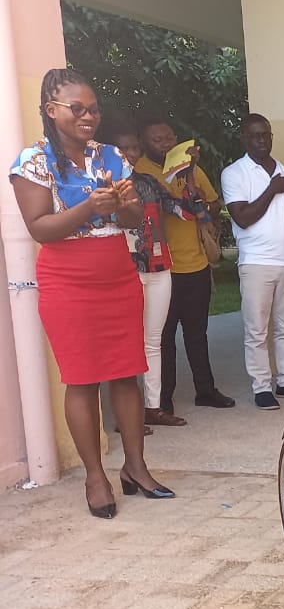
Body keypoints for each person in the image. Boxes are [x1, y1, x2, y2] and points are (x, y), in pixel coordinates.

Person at [9, 68, 174, 518]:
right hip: (69, 280)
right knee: (81, 378)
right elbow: (41, 229)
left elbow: (130, 219)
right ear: (51, 110)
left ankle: (136, 467)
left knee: (126, 372)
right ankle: (96, 477)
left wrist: (123, 206)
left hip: (117, 274)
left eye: (93, 109)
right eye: (77, 108)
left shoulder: (111, 155)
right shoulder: (33, 162)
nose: (88, 116)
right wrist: (88, 206)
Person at [134, 117, 236, 413]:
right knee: (163, 339)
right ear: (144, 142)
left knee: (197, 334)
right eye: (157, 139)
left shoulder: (190, 169)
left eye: (169, 137)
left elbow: (215, 206)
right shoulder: (141, 172)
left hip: (197, 265)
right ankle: (162, 399)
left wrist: (202, 199)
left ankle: (205, 390)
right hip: (163, 270)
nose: (166, 144)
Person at [109, 121, 201, 429]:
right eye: (123, 148)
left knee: (154, 341)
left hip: (160, 267)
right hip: (125, 270)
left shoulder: (148, 182)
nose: (130, 154)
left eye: (134, 147)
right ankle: (127, 415)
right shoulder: (101, 186)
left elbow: (187, 211)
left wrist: (188, 173)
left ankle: (154, 408)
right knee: (127, 342)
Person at [222, 113, 284, 410]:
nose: (262, 140)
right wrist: (272, 189)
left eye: (266, 135)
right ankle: (262, 386)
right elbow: (243, 217)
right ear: (243, 138)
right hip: (256, 262)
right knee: (256, 329)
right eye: (255, 136)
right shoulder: (234, 173)